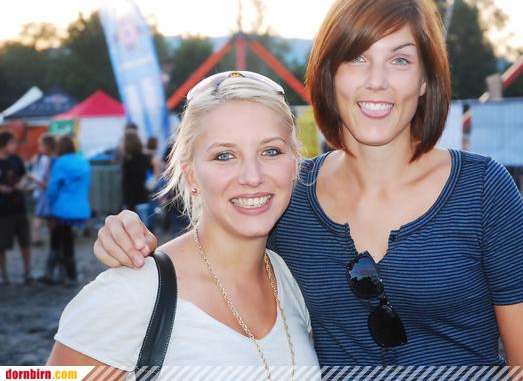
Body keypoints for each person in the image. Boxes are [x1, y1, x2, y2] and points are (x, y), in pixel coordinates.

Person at [93, 0, 523, 366]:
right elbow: (211, 254)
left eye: (399, 60)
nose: (377, 81)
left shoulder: (482, 191)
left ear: (424, 80)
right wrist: (129, 240)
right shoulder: (289, 194)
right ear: (329, 75)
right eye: (357, 58)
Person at [48, 72, 320, 376]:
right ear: (191, 176)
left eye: (271, 151)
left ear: (294, 164)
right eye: (224, 155)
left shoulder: (289, 281)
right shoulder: (133, 293)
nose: (252, 176)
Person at [46, 135, 91, 283]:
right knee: (67, 238)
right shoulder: (83, 161)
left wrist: (50, 203)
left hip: (62, 208)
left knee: (57, 239)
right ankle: (68, 273)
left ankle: (56, 274)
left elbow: (53, 188)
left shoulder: (60, 163)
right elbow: (87, 186)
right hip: (79, 208)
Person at [0, 131, 32, 284]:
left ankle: (27, 272)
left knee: (25, 243)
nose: (14, 146)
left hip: (19, 208)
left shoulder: (16, 160)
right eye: (11, 143)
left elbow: (24, 175)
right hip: (3, 212)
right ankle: (3, 274)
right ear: (3, 144)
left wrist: (22, 185)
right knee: (2, 246)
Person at [26, 133, 56, 247]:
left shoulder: (43, 158)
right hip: (45, 190)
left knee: (41, 216)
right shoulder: (46, 159)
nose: (39, 148)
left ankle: (37, 238)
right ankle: (39, 238)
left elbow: (38, 175)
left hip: (42, 190)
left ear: (47, 146)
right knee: (44, 216)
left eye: (41, 145)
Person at [120, 131, 153, 224]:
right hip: (142, 194)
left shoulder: (126, 160)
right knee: (144, 223)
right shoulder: (145, 157)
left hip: (129, 197)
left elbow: (125, 180)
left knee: (130, 225)